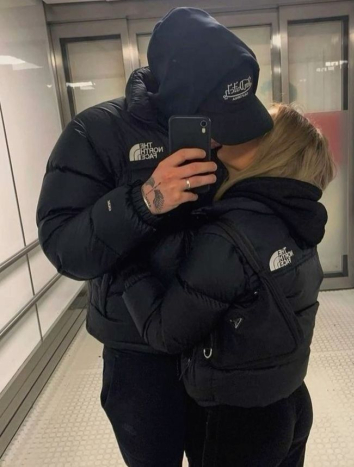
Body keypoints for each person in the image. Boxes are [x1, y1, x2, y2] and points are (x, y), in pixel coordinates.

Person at [36, 7, 273, 467]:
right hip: (138, 352)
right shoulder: (96, 132)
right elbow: (64, 248)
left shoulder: (233, 133)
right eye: (216, 117)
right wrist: (144, 201)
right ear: (178, 98)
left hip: (221, 339)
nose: (225, 136)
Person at [122, 103, 336, 467]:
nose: (235, 129)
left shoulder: (229, 237)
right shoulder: (300, 218)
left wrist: (125, 261)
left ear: (270, 150)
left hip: (241, 424)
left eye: (252, 127)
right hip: (292, 401)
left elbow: (165, 332)